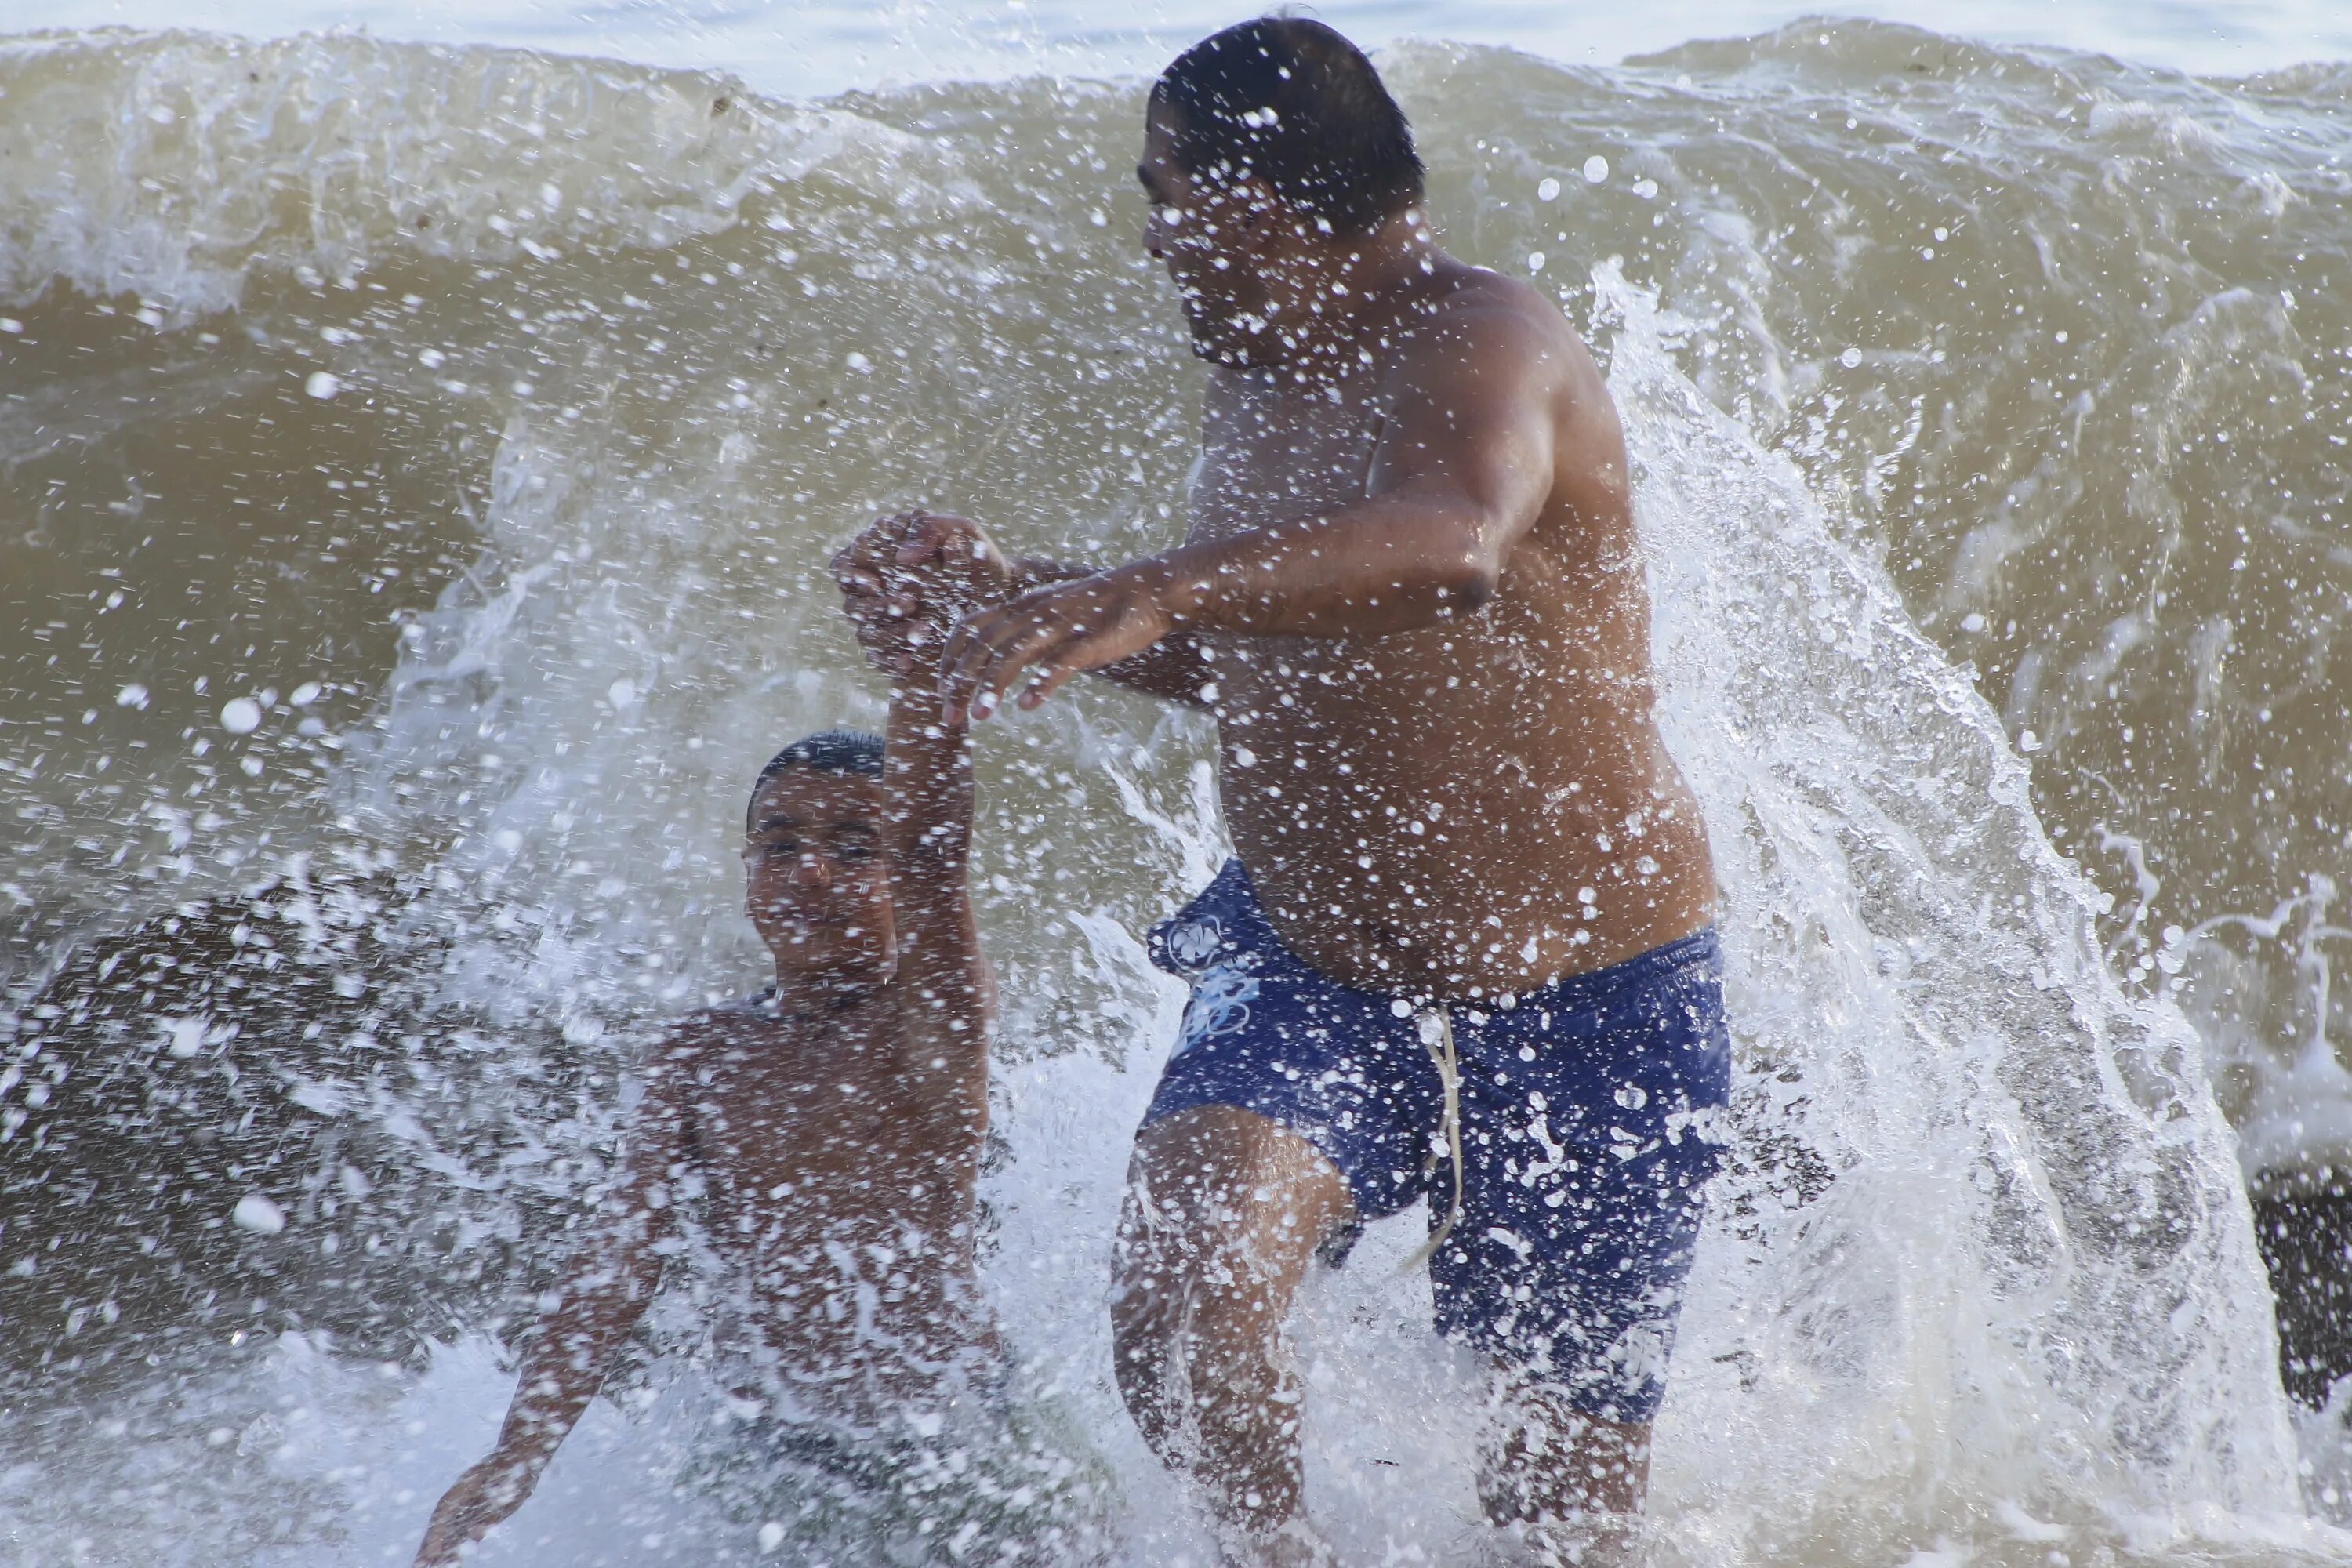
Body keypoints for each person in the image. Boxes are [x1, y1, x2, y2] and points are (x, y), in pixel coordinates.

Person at [835, 17, 1730, 1566]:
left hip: (1589, 989)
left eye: (1162, 191)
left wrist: (1159, 588)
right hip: (1321, 958)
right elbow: (1269, 648)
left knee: (1556, 1525)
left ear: (1252, 201)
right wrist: (1023, 604)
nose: (1150, 235)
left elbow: (1449, 544)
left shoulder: (1485, 339)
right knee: (1186, 1305)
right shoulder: (1260, 373)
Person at [412, 541, 1103, 1566]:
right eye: (778, 843)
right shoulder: (700, 1056)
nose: (809, 869)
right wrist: (516, 1456)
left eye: (851, 848)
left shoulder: (928, 1020)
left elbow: (935, 852)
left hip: (958, 1444)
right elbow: (615, 1269)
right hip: (766, 1452)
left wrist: (923, 684)